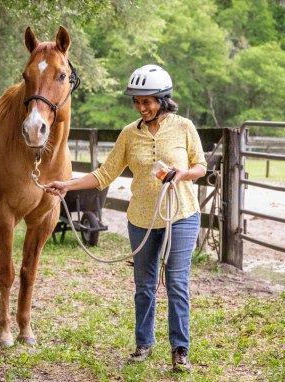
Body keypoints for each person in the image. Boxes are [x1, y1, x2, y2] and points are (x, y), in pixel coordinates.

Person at [45, 64, 207, 372]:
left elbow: (200, 166)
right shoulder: (129, 135)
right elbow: (104, 174)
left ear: (163, 99)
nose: (141, 107)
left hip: (181, 216)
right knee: (144, 285)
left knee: (176, 282)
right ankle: (144, 344)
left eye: (147, 101)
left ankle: (180, 349)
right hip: (141, 219)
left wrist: (183, 174)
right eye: (136, 101)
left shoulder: (184, 126)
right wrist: (67, 184)